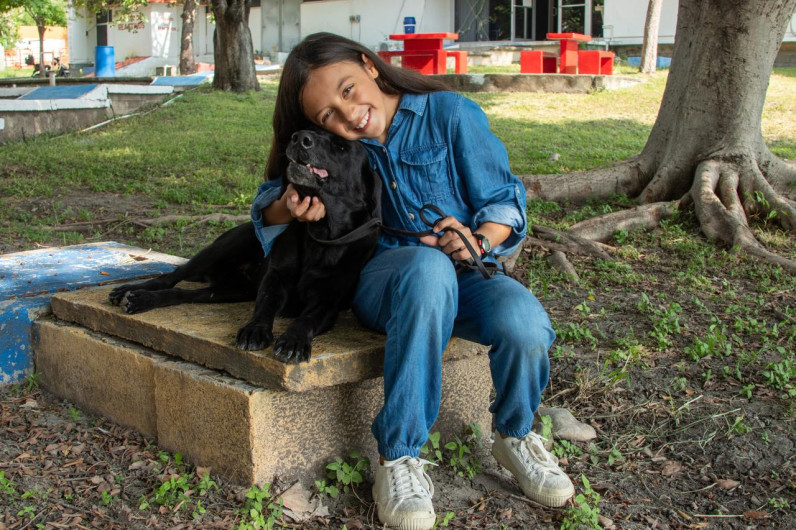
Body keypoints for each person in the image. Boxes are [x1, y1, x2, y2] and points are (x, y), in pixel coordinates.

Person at [251, 32, 574, 529]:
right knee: (425, 271)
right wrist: (292, 205)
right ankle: (398, 456)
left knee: (523, 321)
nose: (347, 114)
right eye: (327, 117)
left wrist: (479, 240)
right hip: (381, 280)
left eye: (347, 89)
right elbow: (268, 203)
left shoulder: (449, 114)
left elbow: (505, 200)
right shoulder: (342, 145)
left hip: (466, 272)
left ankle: (515, 435)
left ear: (369, 66)